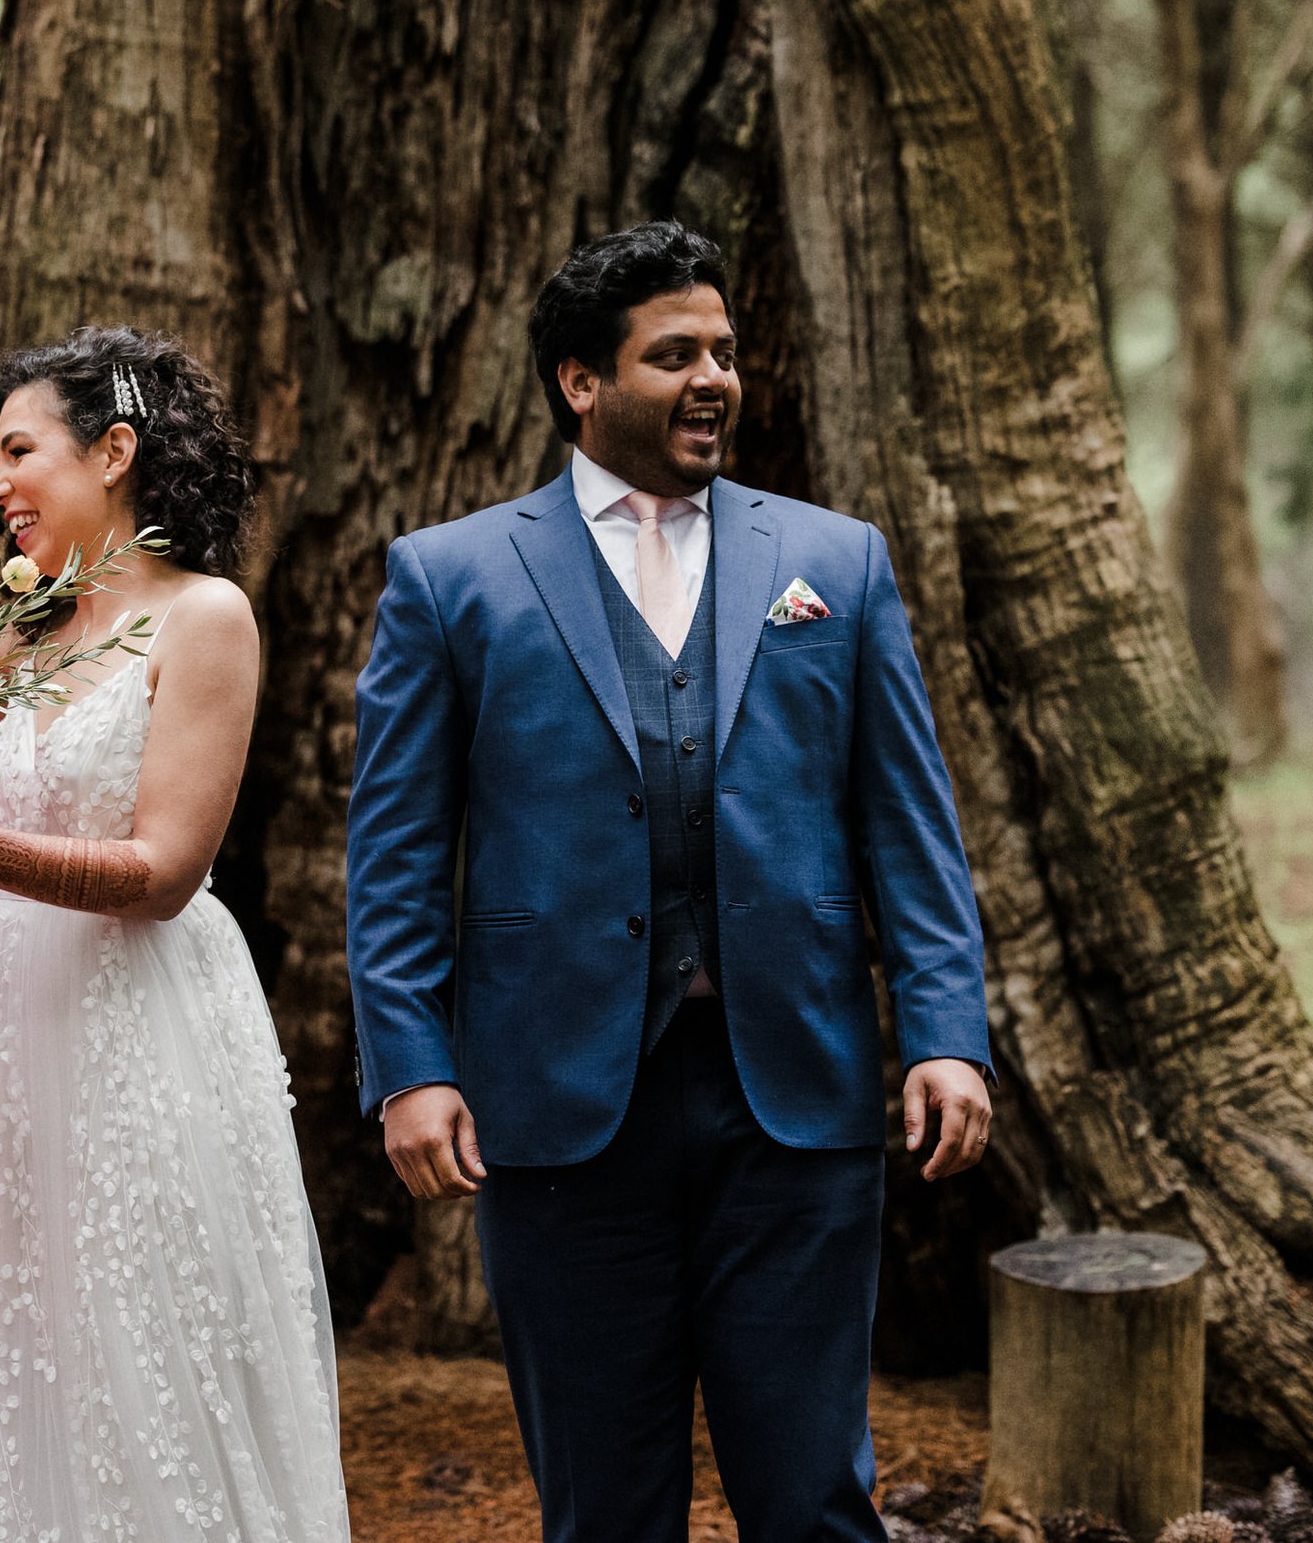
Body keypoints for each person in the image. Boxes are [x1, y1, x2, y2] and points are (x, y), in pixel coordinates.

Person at [347, 222, 996, 1543]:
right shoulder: (450, 575)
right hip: (560, 1099)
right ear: (582, 381)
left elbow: (909, 822)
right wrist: (409, 1062)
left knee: (815, 1494)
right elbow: (396, 848)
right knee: (603, 1506)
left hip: (796, 1099)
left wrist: (945, 1033)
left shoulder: (839, 562)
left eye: (725, 350)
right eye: (676, 353)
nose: (716, 378)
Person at [0, 328, 351, 1542]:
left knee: (138, 1335)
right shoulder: (22, 631)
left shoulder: (205, 618)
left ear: (114, 451)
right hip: (16, 1020)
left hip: (147, 1026)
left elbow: (160, 872)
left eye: (17, 452)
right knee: (15, 1338)